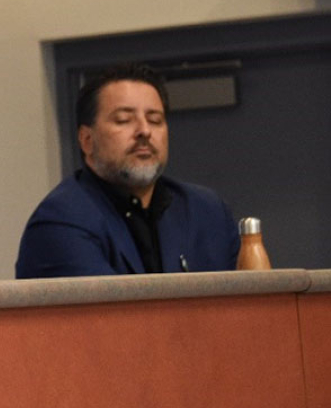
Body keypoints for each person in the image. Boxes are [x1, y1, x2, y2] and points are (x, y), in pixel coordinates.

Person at [16, 63, 239, 278]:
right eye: (124, 120)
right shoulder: (61, 222)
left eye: (155, 120)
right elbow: (108, 316)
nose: (144, 131)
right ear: (87, 140)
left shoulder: (208, 211)